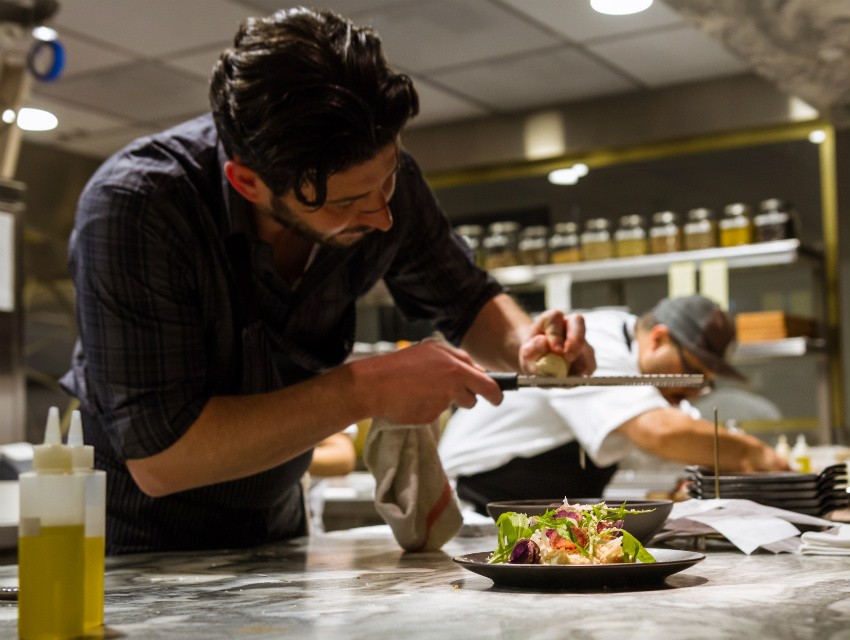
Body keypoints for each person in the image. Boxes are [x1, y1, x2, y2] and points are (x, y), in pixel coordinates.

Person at [59, 7, 594, 554]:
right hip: (131, 541)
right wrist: (367, 388)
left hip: (277, 523)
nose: (383, 215)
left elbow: (464, 297)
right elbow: (161, 457)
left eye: (388, 180)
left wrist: (527, 345)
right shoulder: (139, 207)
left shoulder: (379, 183)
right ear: (248, 182)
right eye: (349, 202)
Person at [438, 294, 790, 514]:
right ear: (659, 339)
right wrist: (755, 454)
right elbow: (661, 432)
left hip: (541, 509)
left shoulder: (644, 373)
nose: (697, 391)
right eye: (693, 372)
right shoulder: (592, 345)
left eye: (706, 381)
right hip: (476, 509)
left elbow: (676, 443)